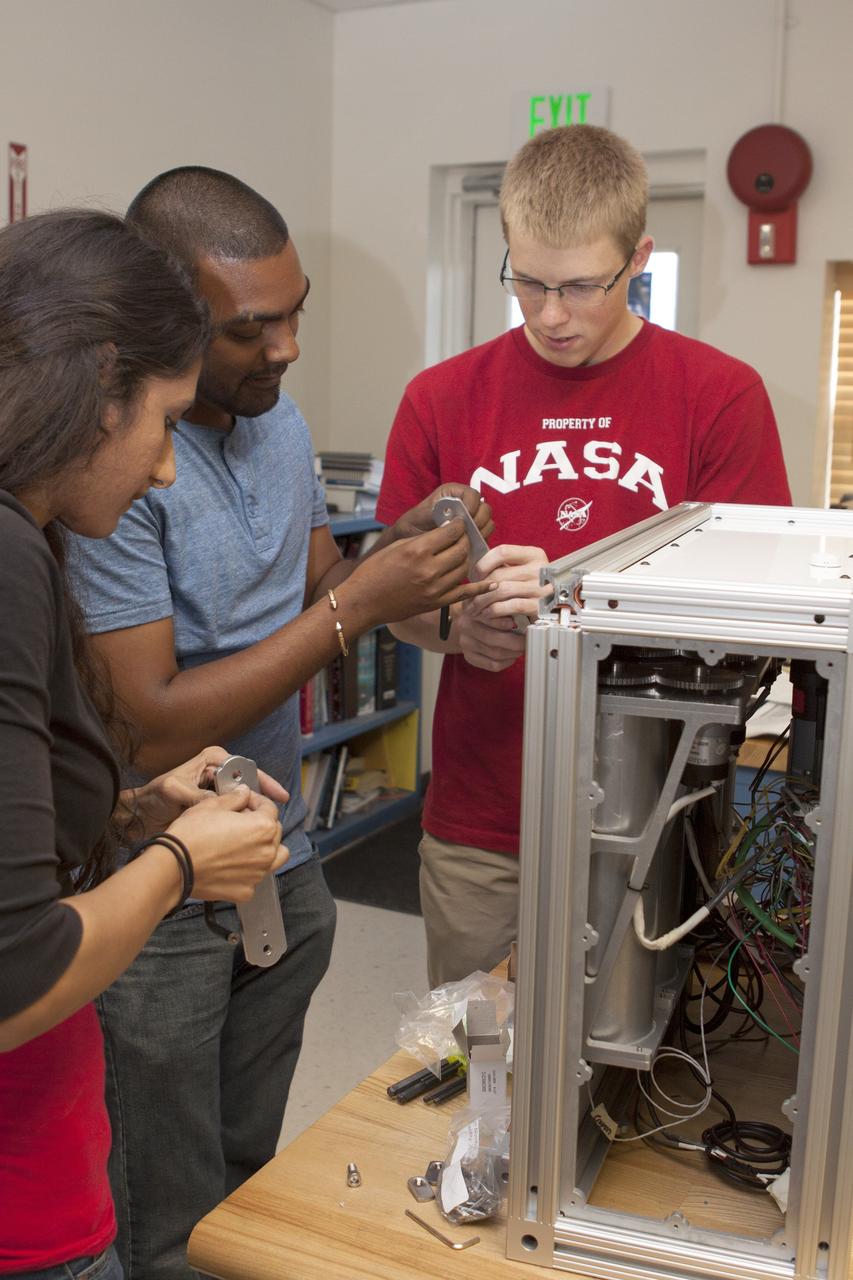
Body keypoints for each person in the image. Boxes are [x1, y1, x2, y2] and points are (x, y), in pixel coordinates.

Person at [68, 167, 491, 1279]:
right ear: (165, 316)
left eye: (296, 311)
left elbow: (315, 591)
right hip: (156, 880)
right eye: (253, 328)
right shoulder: (113, 460)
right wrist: (364, 601)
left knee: (247, 1180)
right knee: (162, 1210)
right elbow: (145, 727)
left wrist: (402, 552)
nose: (289, 346)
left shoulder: (279, 415)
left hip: (278, 859)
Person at [376, 124, 792, 988]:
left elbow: (757, 630)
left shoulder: (718, 397)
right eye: (526, 281)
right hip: (485, 818)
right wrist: (456, 628)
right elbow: (391, 597)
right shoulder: (439, 399)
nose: (550, 313)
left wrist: (574, 594)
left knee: (645, 1067)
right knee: (476, 1070)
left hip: (656, 811)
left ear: (638, 258)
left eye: (578, 286)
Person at [0, 209, 290, 1279]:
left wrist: (127, 810)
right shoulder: (9, 556)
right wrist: (179, 866)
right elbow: (13, 974)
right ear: (98, 385)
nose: (167, 470)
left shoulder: (27, 534)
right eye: (163, 422)